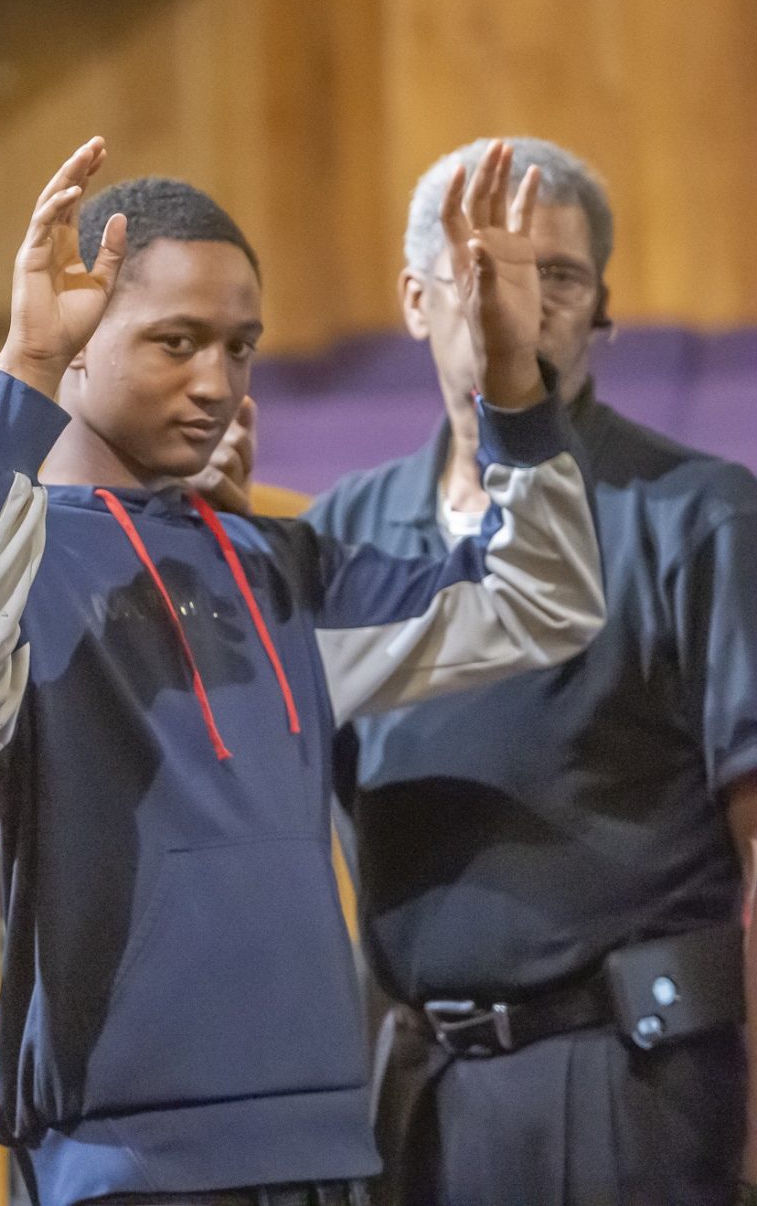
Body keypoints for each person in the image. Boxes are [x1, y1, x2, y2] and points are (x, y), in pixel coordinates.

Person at [0, 138, 605, 1204]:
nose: (216, 382)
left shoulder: (277, 564)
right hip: (121, 1162)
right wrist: (19, 374)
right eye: (176, 342)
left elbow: (544, 599)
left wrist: (510, 378)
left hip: (318, 1140)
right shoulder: (19, 565)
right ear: (78, 342)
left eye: (241, 347)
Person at [305, 137, 757, 1206]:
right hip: (416, 1089)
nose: (522, 301)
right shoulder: (343, 531)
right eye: (484, 269)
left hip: (627, 1084)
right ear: (418, 301)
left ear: (601, 309)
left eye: (557, 274)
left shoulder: (702, 516)